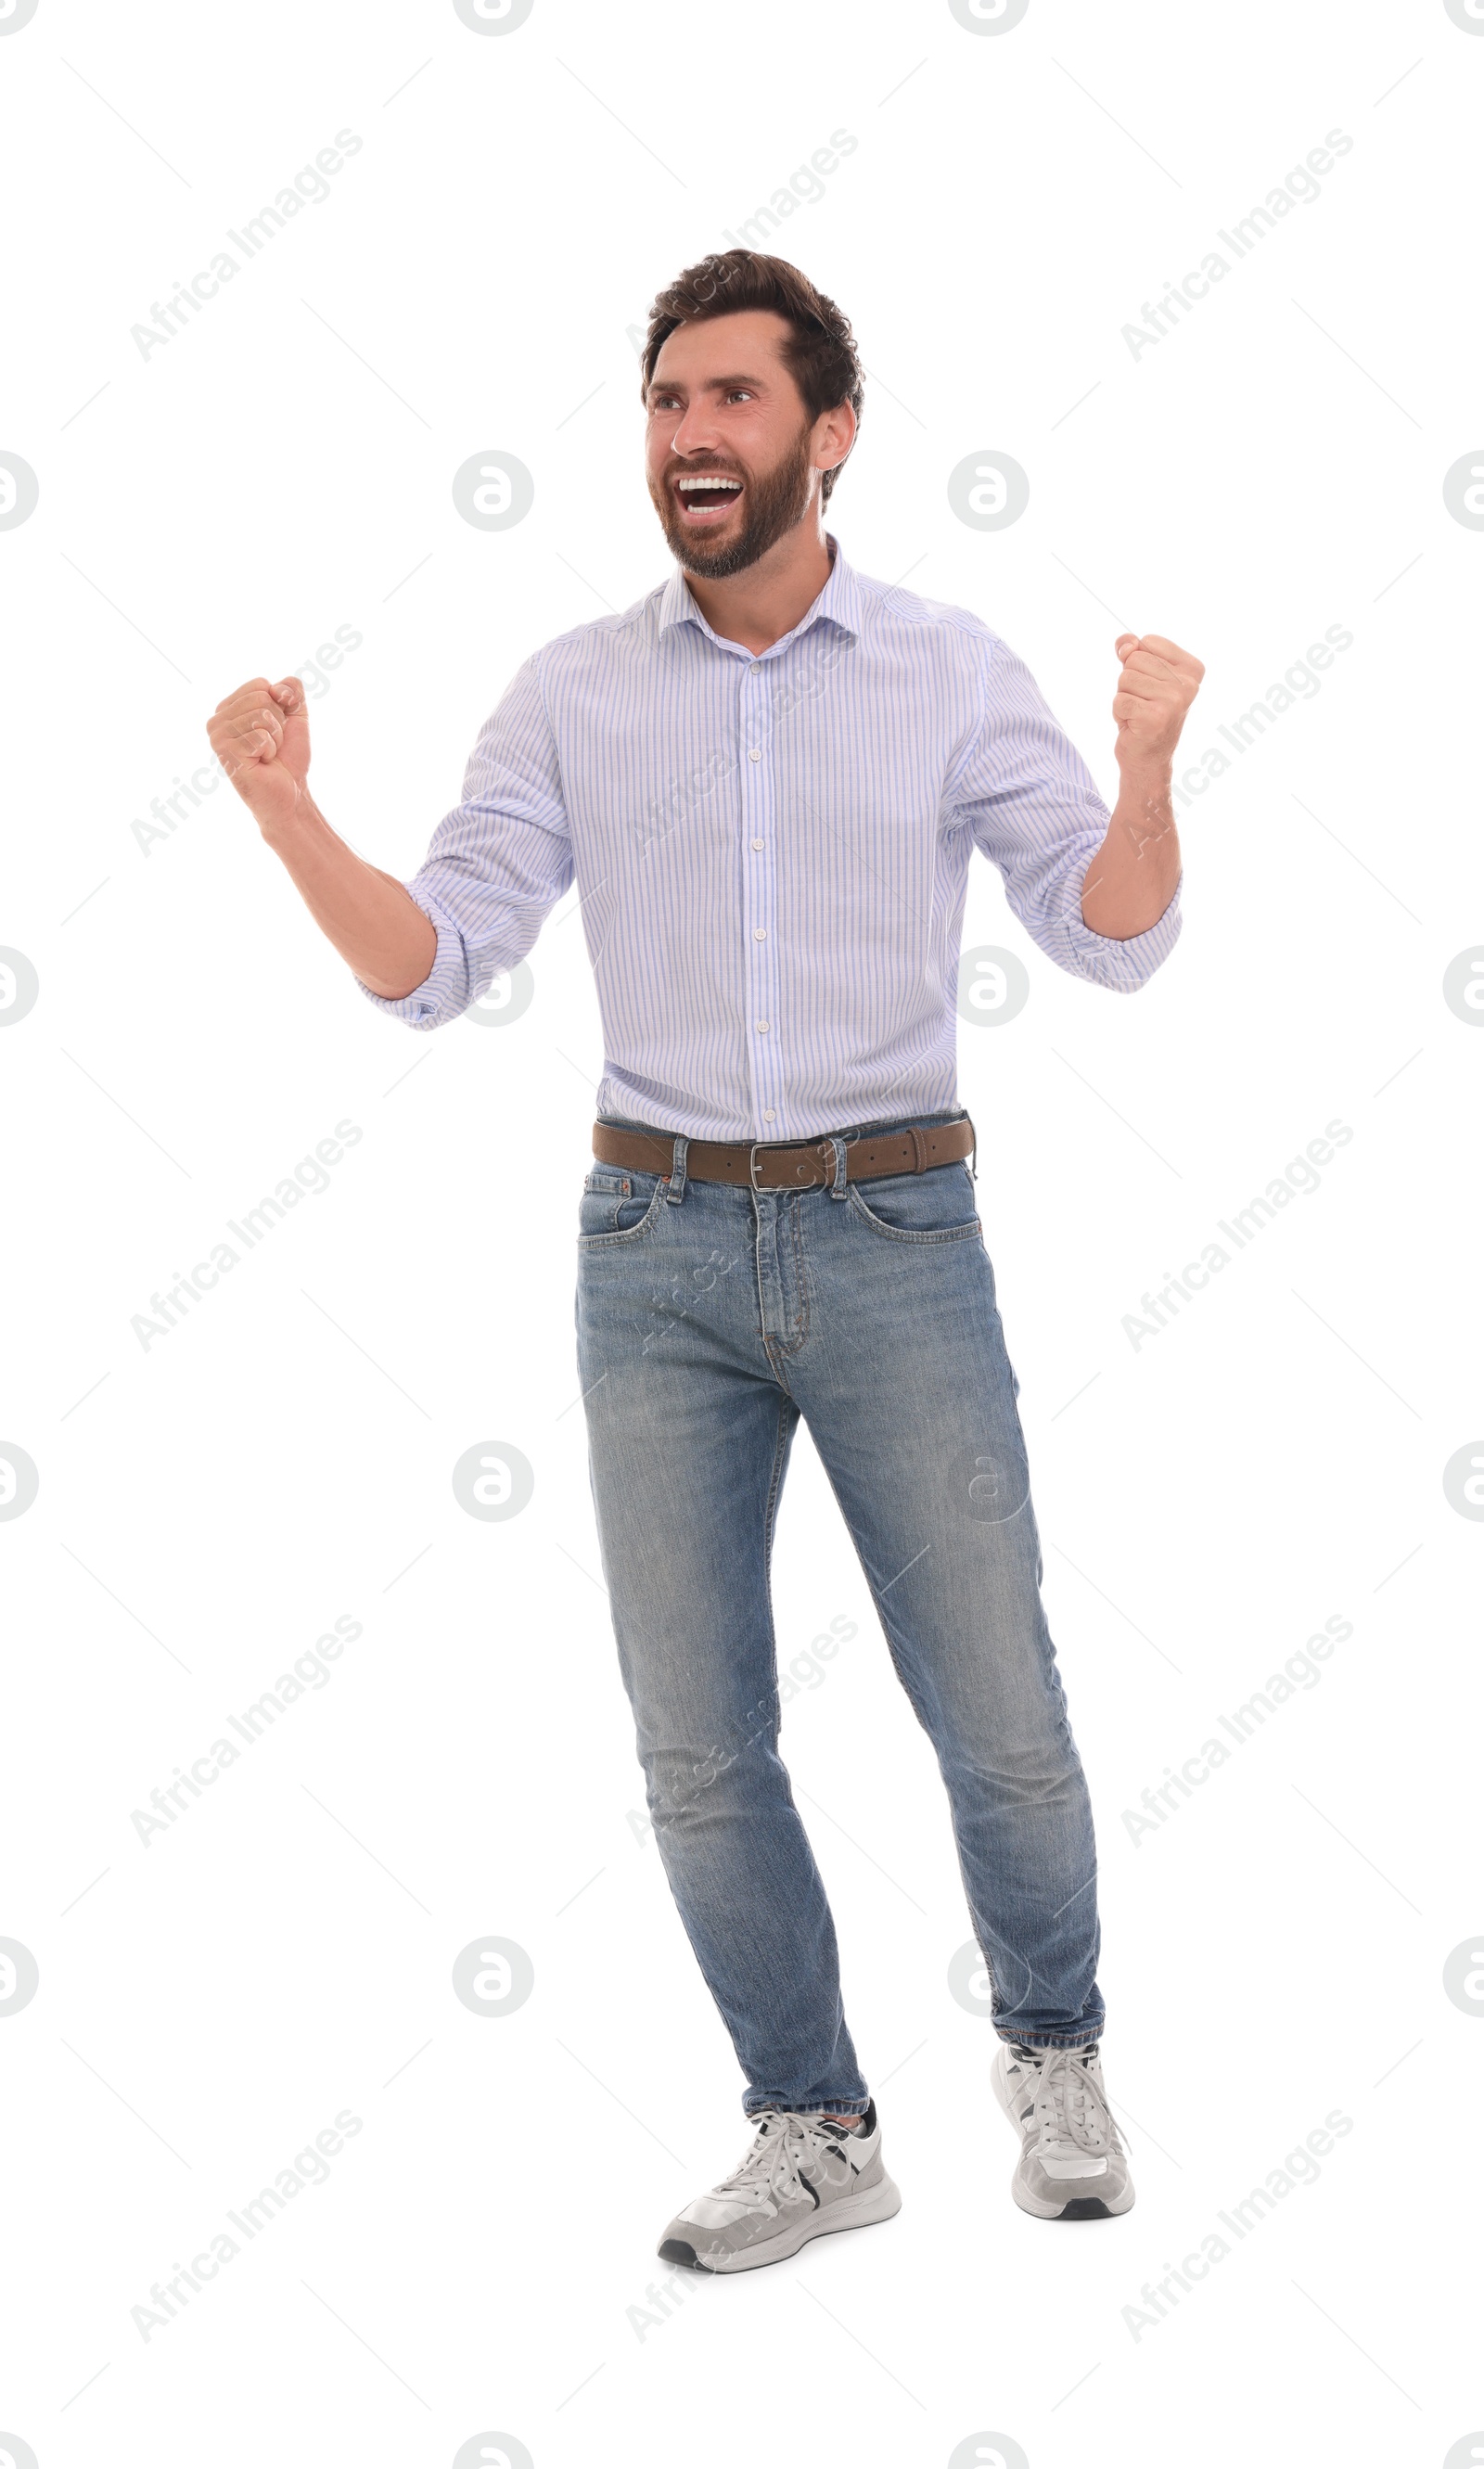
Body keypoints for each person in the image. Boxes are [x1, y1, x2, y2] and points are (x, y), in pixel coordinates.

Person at [207, 249, 1203, 2274]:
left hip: (893, 1229)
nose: (691, 437)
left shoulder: (941, 667)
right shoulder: (574, 688)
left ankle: (1052, 2050)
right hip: (649, 1251)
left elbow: (1108, 935)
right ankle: (811, 2119)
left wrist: (1155, 768)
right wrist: (287, 812)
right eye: (667, 403)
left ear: (825, 435)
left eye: (733, 401)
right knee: (694, 1736)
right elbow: (436, 964)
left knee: (991, 1700)